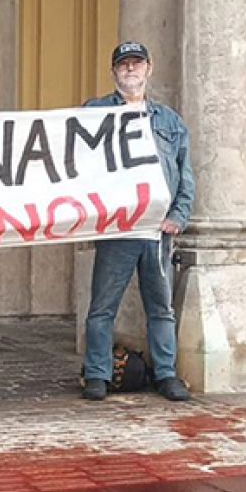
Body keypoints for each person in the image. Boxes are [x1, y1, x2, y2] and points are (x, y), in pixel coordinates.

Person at [82, 41, 195, 402]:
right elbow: (71, 152)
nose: (130, 70)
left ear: (149, 69)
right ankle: (98, 375)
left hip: (157, 231)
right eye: (123, 64)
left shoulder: (170, 121)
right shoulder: (95, 112)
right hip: (118, 228)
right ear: (114, 72)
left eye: (136, 63)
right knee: (102, 307)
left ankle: (166, 374)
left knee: (161, 309)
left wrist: (178, 216)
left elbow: (185, 175)